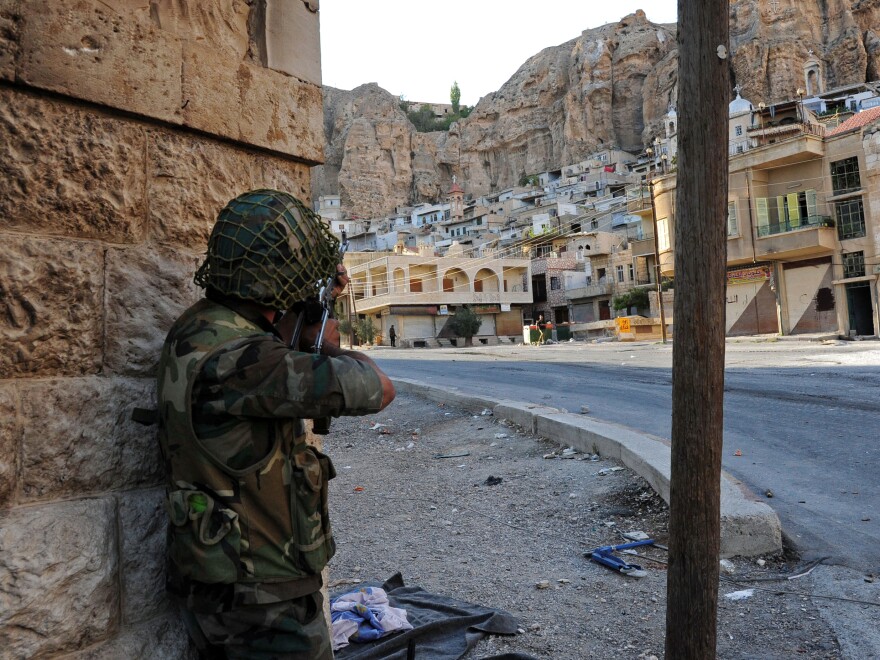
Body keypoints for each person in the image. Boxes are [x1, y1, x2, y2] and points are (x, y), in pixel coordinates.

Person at [157, 189, 395, 659]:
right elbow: (377, 387)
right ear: (275, 280)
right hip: (262, 600)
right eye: (299, 275)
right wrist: (324, 342)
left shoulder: (200, 328)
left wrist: (304, 318)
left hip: (221, 584)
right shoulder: (247, 360)